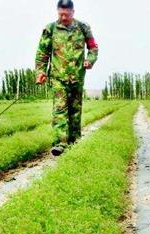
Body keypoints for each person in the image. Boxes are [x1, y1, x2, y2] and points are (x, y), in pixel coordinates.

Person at [36, 0, 99, 156]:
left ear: (73, 12)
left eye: (66, 14)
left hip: (77, 77)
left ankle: (74, 143)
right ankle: (60, 143)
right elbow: (42, 53)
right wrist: (40, 72)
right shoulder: (50, 29)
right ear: (58, 12)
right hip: (58, 78)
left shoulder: (83, 28)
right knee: (60, 109)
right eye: (60, 14)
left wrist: (90, 60)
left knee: (75, 112)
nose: (63, 17)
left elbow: (93, 48)